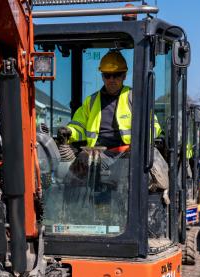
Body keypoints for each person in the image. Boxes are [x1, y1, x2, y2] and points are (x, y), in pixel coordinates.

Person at [57, 50, 169, 203]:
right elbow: (79, 125)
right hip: (98, 153)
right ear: (102, 76)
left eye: (116, 75)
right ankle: (73, 215)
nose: (111, 79)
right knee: (74, 174)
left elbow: (153, 126)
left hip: (126, 152)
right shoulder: (92, 101)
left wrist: (140, 141)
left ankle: (121, 216)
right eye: (107, 75)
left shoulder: (134, 98)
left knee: (125, 177)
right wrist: (69, 132)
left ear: (124, 75)